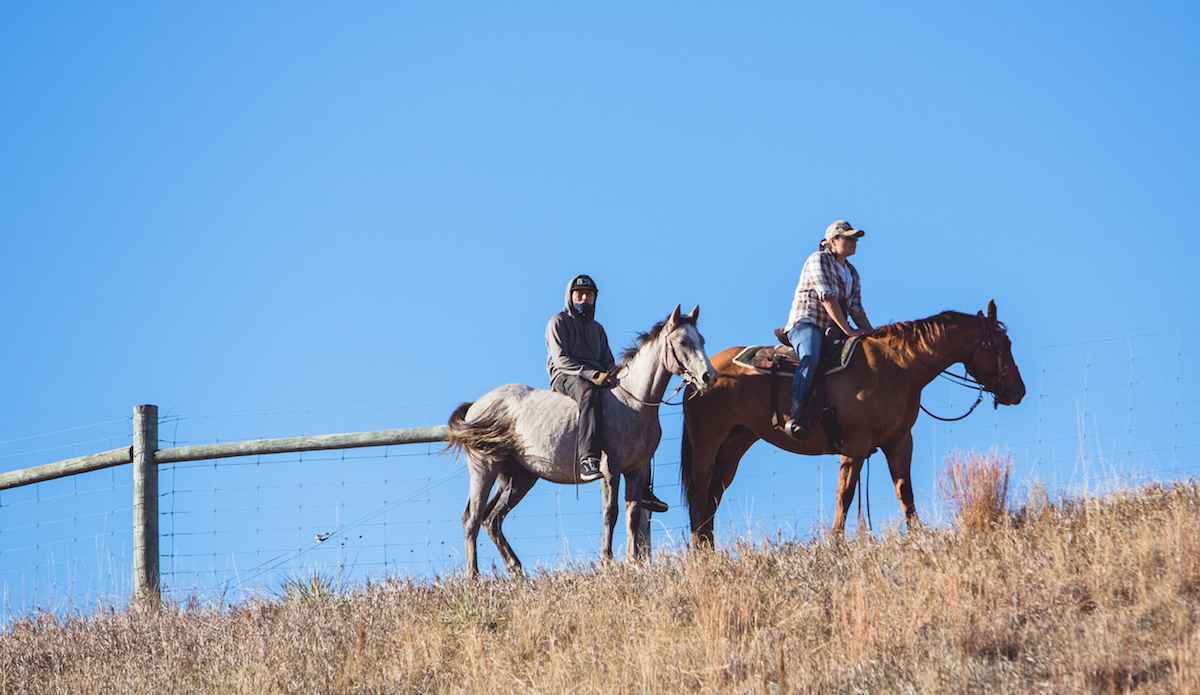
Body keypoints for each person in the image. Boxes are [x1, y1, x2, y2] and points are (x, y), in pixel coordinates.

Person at [546, 274, 669, 513]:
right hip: (566, 376)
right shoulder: (558, 322)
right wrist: (593, 375)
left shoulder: (597, 329)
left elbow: (607, 361)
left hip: (595, 376)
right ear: (570, 297)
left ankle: (644, 488)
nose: (584, 298)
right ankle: (588, 459)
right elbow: (561, 360)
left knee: (631, 411)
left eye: (589, 295)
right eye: (579, 294)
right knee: (590, 394)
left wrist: (613, 373)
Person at [782, 221, 876, 439]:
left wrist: (874, 336)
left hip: (833, 330)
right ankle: (796, 412)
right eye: (848, 238)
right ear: (833, 241)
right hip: (807, 323)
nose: (854, 242)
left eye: (855, 239)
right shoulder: (818, 259)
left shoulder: (852, 273)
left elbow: (856, 308)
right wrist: (849, 331)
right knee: (811, 357)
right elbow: (828, 298)